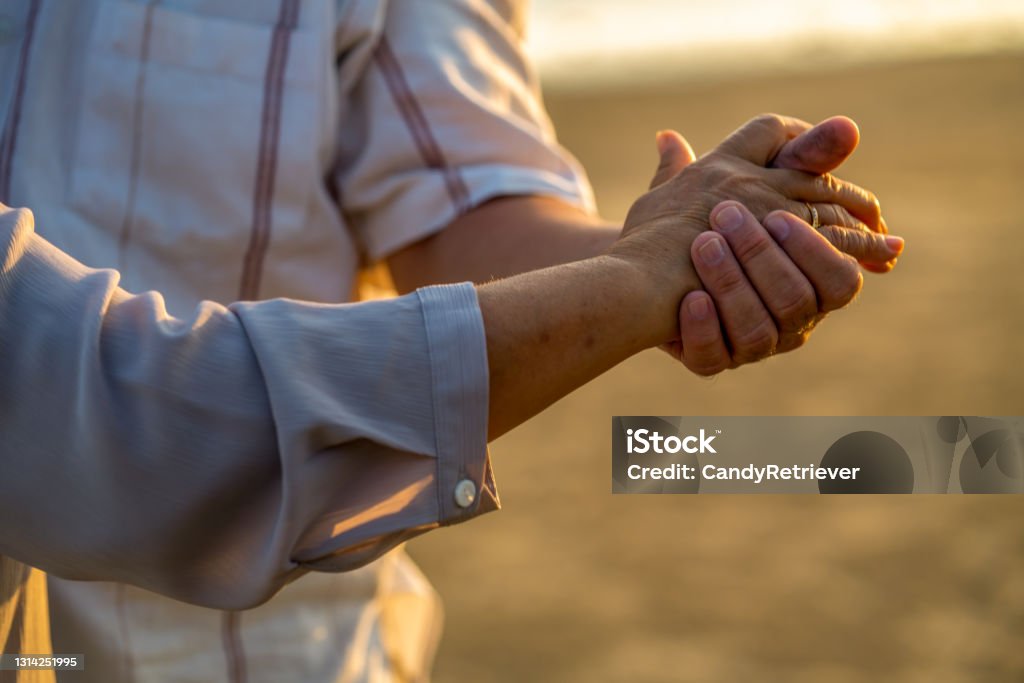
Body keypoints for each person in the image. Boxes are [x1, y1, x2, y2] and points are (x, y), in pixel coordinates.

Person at [0, 0, 902, 680]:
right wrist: (643, 274)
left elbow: (460, 194)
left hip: (279, 650)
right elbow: (96, 393)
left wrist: (665, 258)